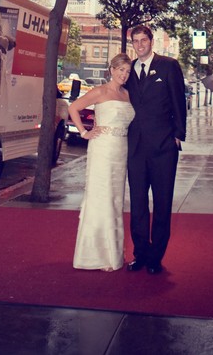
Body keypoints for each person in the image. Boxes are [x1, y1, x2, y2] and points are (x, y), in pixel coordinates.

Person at [126, 25, 187, 275]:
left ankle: (155, 258)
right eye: (136, 41)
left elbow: (178, 101)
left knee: (162, 203)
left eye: (143, 40)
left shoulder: (168, 66)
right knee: (138, 203)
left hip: (164, 147)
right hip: (136, 148)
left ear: (152, 42)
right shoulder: (128, 71)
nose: (140, 45)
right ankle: (140, 254)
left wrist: (178, 135)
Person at [68, 53, 134, 271]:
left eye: (127, 71)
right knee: (102, 198)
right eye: (121, 70)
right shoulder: (100, 91)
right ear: (112, 69)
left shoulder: (127, 94)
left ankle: (112, 252)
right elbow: (73, 108)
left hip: (121, 150)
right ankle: (97, 255)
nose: (124, 74)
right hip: (103, 148)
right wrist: (83, 132)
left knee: (115, 200)